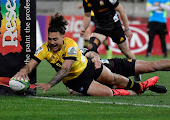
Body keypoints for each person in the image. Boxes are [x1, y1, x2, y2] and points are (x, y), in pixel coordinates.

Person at [13, 13, 158, 97]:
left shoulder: (70, 45)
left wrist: (49, 84)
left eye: (55, 39)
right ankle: (140, 89)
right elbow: (31, 64)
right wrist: (23, 71)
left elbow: (65, 69)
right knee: (108, 93)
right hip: (75, 80)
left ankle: (139, 87)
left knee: (114, 78)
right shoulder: (44, 48)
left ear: (63, 37)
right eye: (50, 39)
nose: (52, 42)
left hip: (88, 68)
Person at [80, 0, 141, 81]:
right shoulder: (87, 1)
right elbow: (87, 16)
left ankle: (137, 71)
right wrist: (83, 28)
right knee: (91, 46)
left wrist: (127, 29)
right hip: (101, 28)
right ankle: (95, 73)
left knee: (126, 51)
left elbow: (121, 10)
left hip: (115, 28)